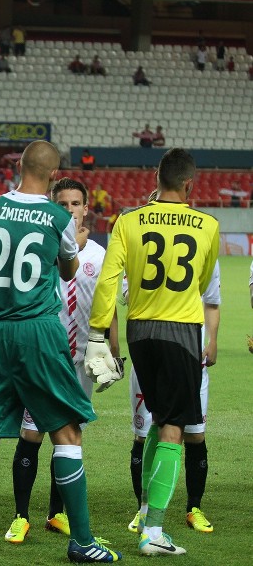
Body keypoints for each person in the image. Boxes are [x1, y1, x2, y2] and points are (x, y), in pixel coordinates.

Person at [0, 140, 121, 563]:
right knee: (67, 433)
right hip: (39, 332)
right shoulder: (57, 217)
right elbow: (69, 271)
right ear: (55, 175)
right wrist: (67, 246)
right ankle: (82, 540)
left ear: (18, 167)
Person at [86, 148, 219, 556]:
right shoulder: (209, 225)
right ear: (189, 184)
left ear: (155, 178)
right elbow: (200, 280)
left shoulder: (128, 220)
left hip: (140, 330)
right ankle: (154, 532)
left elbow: (109, 280)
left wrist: (96, 335)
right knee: (174, 430)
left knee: (158, 418)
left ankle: (145, 513)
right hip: (181, 329)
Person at [7, 178, 121, 544]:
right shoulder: (39, 245)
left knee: (69, 439)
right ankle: (20, 516)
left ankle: (56, 515)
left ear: (87, 208)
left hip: (82, 359)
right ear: (54, 207)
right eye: (64, 203)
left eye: (76, 203)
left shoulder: (100, 255)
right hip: (44, 357)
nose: (70, 209)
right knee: (30, 434)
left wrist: (115, 351)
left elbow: (108, 309)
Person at [126, 250, 220, 536]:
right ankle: (144, 512)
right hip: (152, 349)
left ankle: (194, 508)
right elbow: (129, 296)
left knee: (194, 433)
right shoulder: (143, 243)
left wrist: (213, 339)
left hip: (191, 353)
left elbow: (212, 300)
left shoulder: (203, 243)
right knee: (146, 433)